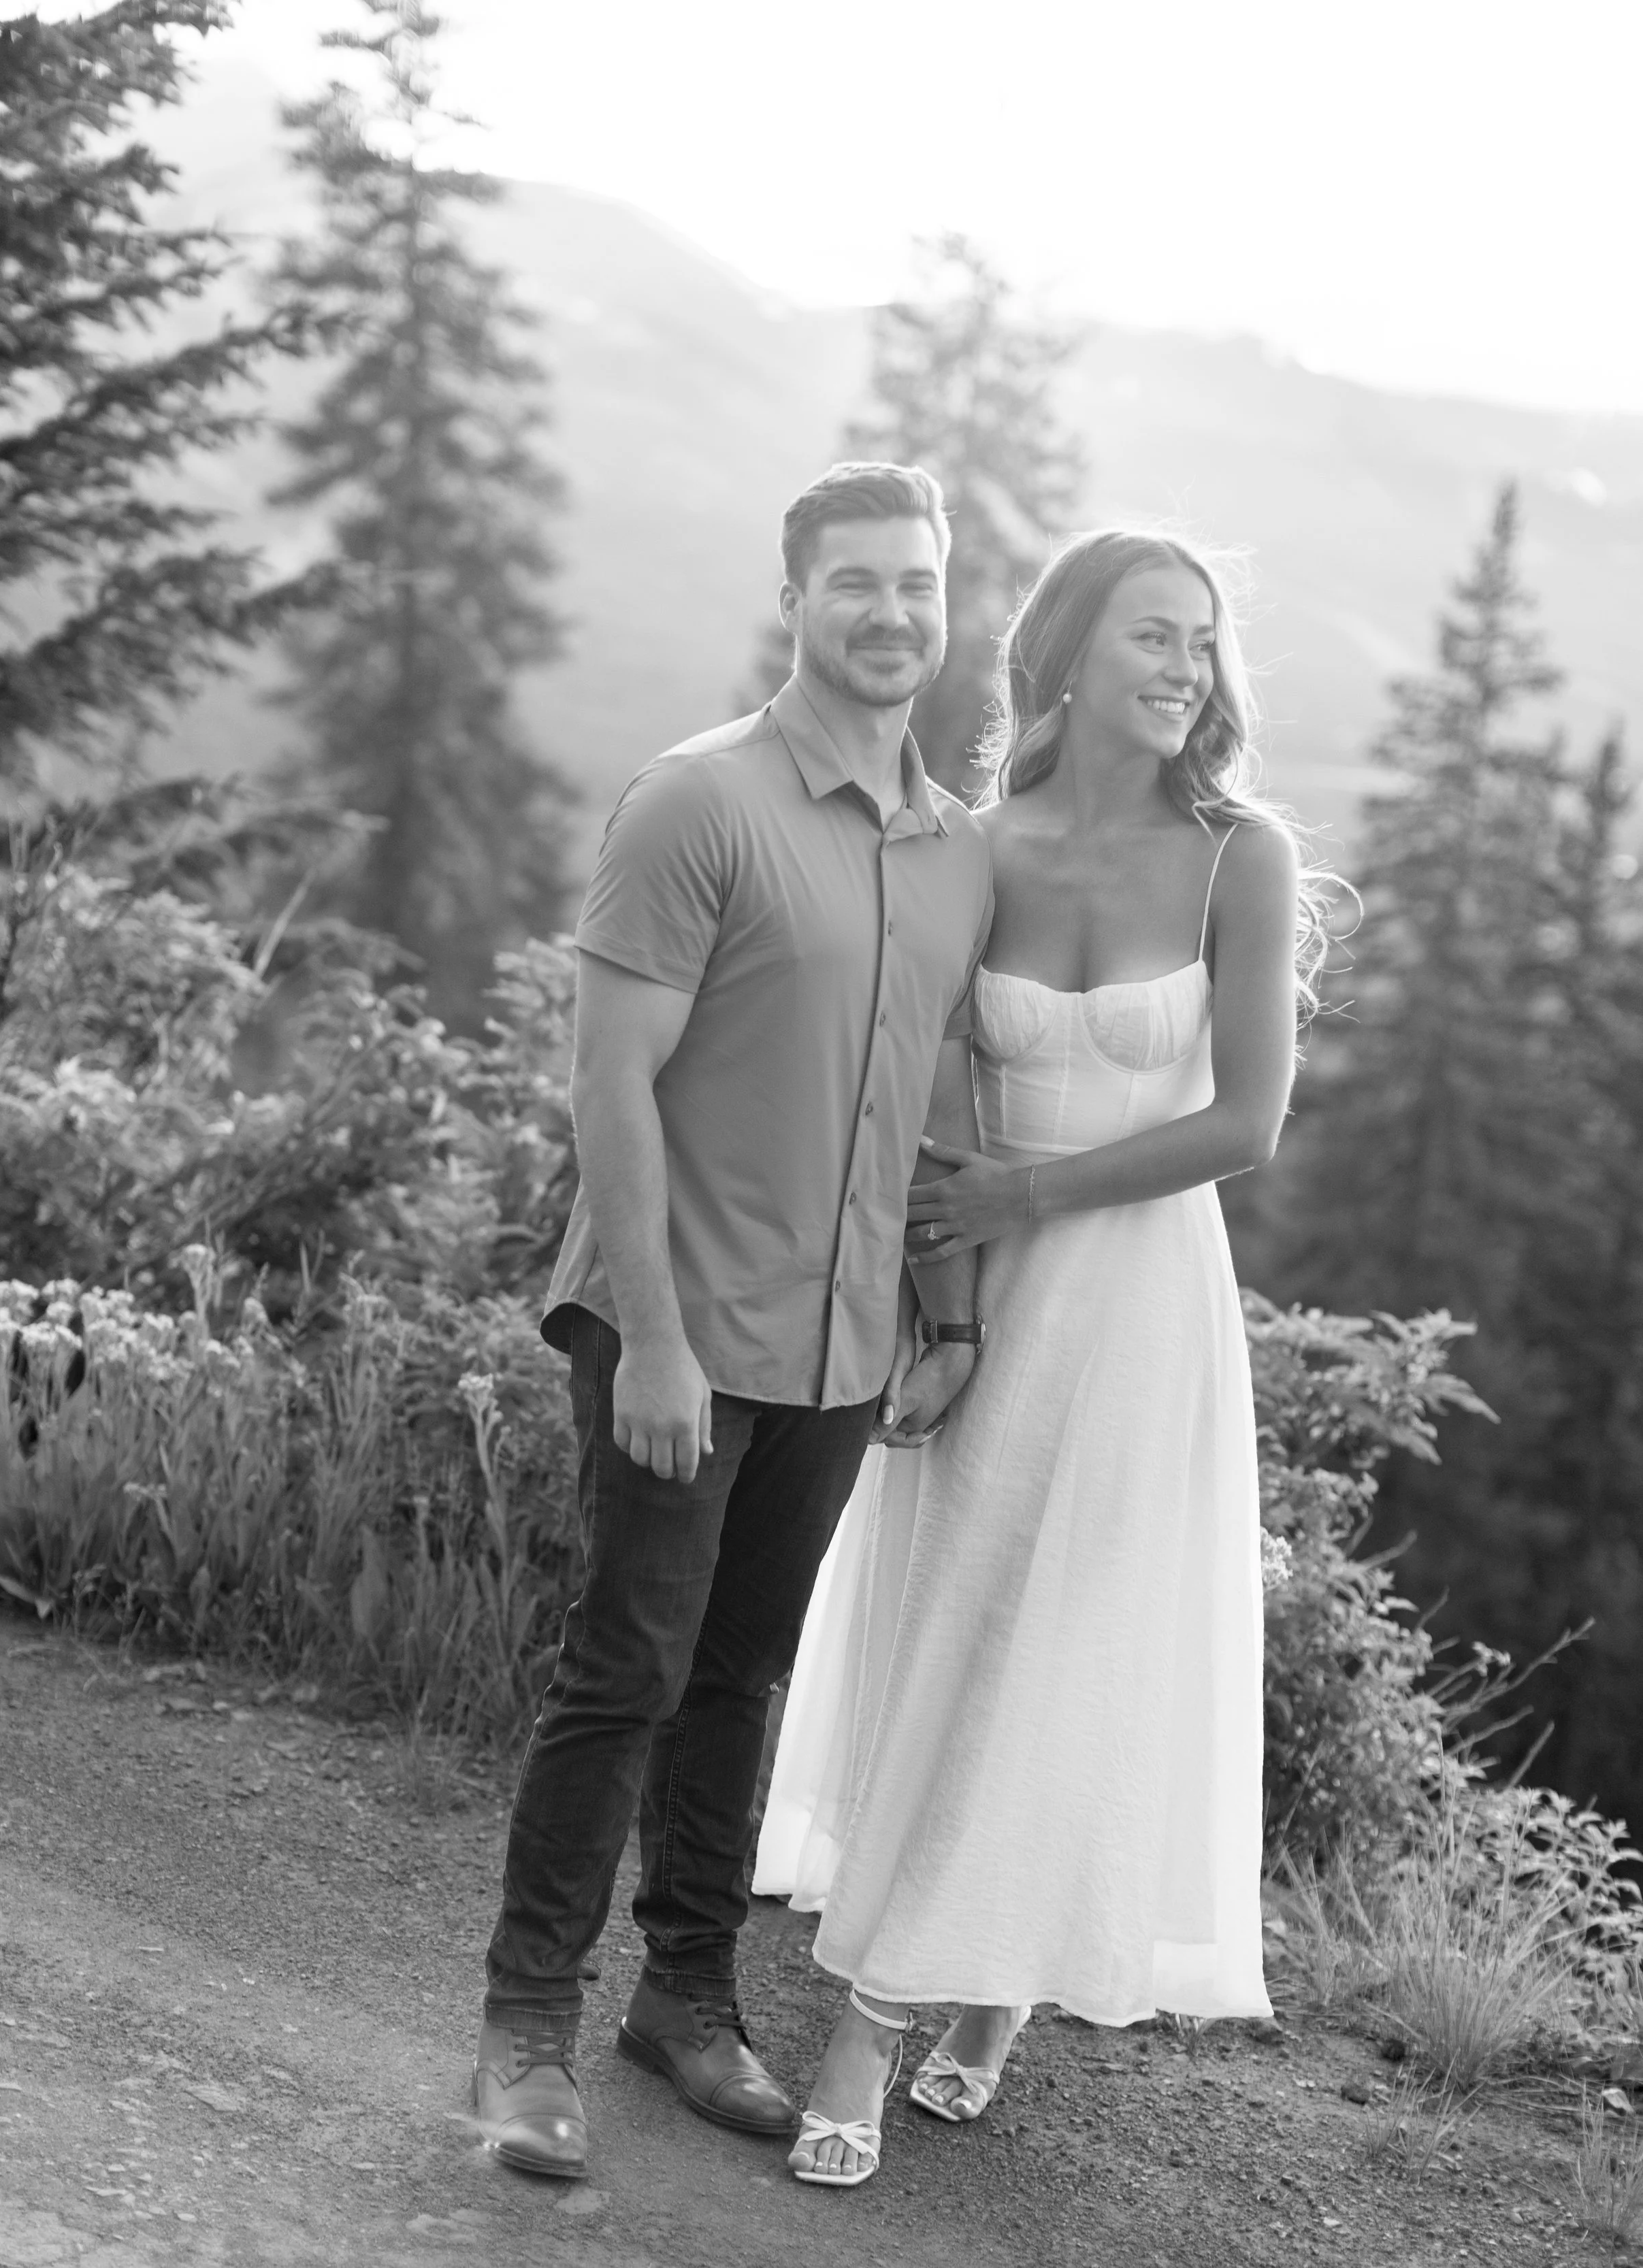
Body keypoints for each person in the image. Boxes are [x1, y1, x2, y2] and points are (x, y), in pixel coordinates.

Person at [755, 527, 1326, 2187]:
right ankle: (960, 1974)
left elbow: (1245, 1121)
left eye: (1201, 642)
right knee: (959, 1624)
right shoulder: (976, 846)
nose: (1185, 668)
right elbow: (933, 1102)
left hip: (1141, 1303)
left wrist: (1030, 1191)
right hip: (988, 1300)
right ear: (1066, 654)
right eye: (1152, 635)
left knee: (1071, 1647)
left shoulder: (1239, 857)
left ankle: (881, 2015)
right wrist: (944, 1309)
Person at [469, 461, 995, 2182]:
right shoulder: (695, 802)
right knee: (624, 1666)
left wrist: (939, 1314)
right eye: (855, 582)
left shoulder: (954, 852)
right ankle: (524, 2030)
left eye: (916, 584)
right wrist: (655, 1337)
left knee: (741, 1675)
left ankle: (683, 1999)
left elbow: (929, 1108)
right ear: (794, 601)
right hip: (675, 1330)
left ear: (945, 605)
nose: (889, 613)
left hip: (840, 1349)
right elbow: (607, 1083)